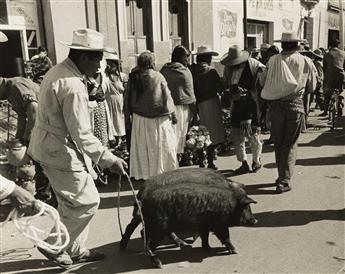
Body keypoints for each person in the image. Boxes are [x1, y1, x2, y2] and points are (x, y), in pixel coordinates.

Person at [27, 28, 127, 269]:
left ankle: (75, 249)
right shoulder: (72, 85)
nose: (100, 65)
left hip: (51, 146)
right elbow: (81, 132)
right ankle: (54, 244)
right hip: (57, 150)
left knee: (71, 203)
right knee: (87, 202)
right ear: (84, 57)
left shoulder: (60, 71)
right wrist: (108, 158)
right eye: (98, 59)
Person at [261, 32, 316, 193]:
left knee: (279, 143)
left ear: (283, 45)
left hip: (276, 107)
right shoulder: (306, 61)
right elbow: (312, 87)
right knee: (290, 144)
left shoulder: (272, 60)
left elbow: (263, 81)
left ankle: (281, 177)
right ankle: (284, 180)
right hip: (295, 106)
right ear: (297, 45)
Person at [126, 51, 178, 181]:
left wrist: (127, 116)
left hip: (140, 118)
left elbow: (127, 98)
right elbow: (167, 96)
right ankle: (161, 172)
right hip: (159, 119)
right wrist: (173, 114)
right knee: (160, 146)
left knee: (144, 147)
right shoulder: (158, 76)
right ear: (152, 63)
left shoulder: (133, 77)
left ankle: (145, 174)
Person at [222, 45, 264, 174]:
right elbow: (225, 84)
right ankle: (243, 162)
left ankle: (256, 161)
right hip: (236, 106)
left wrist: (252, 91)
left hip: (251, 105)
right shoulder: (228, 69)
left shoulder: (254, 65)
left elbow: (262, 81)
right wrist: (231, 94)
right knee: (237, 136)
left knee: (253, 135)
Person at [190, 45, 225, 170]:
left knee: (198, 133)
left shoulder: (190, 70)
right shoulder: (211, 71)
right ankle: (210, 161)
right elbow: (220, 88)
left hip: (195, 105)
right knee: (211, 134)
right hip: (210, 104)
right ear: (208, 58)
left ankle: (201, 161)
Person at [160, 45, 197, 163]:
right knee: (179, 134)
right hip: (181, 109)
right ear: (180, 58)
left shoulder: (164, 70)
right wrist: (195, 113)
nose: (187, 61)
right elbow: (190, 95)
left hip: (166, 108)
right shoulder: (185, 72)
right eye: (186, 58)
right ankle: (176, 159)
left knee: (169, 135)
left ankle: (172, 159)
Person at [103, 49, 128, 147]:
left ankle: (123, 139)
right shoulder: (105, 77)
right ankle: (115, 139)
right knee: (112, 120)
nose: (109, 66)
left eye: (111, 64)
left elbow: (126, 90)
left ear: (116, 64)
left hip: (120, 101)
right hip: (109, 101)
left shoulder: (122, 76)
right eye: (107, 63)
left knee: (120, 119)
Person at [320, 38, 345, 116]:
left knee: (327, 93)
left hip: (329, 76)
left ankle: (325, 111)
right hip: (341, 75)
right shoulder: (343, 53)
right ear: (338, 45)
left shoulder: (327, 54)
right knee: (341, 91)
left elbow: (324, 67)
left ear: (330, 45)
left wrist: (325, 76)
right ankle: (340, 102)